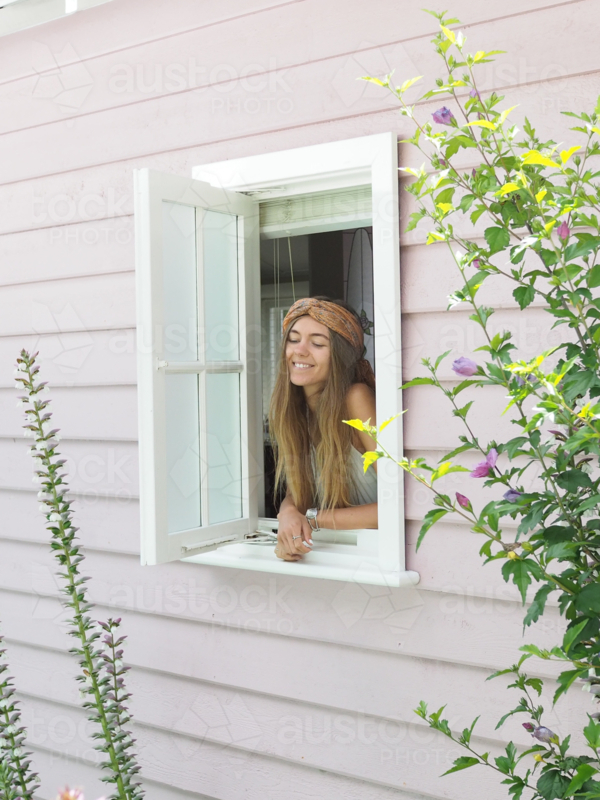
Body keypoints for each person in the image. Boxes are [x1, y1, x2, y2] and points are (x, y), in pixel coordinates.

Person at [268, 296, 378, 562]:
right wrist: (288, 514)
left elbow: (401, 505)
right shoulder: (296, 412)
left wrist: (311, 519)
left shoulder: (355, 398)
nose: (300, 350)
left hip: (376, 555)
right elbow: (298, 493)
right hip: (334, 555)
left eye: (317, 343)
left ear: (341, 357)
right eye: (293, 339)